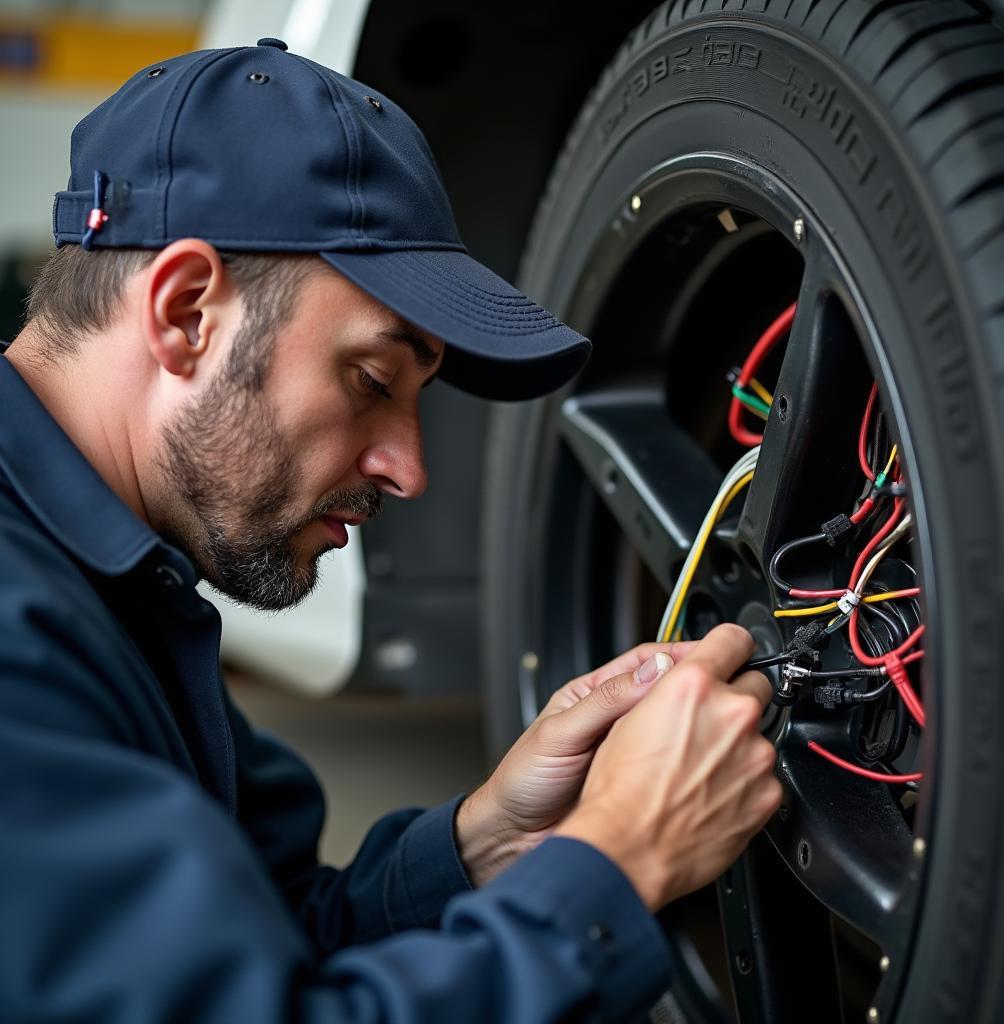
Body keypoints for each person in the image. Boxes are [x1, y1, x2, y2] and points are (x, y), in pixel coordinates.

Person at [0, 39, 781, 1022]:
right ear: (186, 311)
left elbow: (274, 933)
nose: (407, 470)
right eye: (371, 380)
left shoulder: (111, 586)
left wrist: (484, 842)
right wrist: (620, 860)